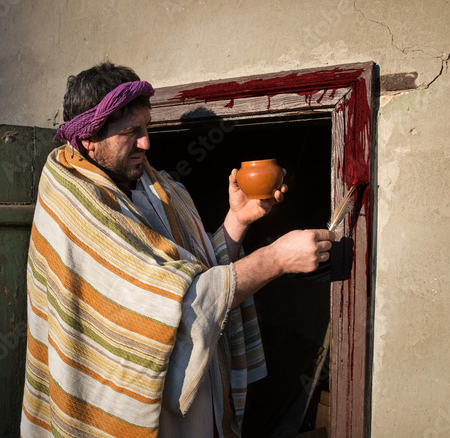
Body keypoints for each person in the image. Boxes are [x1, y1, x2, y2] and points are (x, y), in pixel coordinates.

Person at [20, 62, 335, 438]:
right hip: (131, 410)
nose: (146, 143)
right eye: (131, 132)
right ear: (89, 138)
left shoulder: (162, 189)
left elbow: (198, 275)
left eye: (146, 128)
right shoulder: (73, 204)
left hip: (197, 405)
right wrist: (276, 259)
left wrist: (238, 221)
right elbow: (179, 303)